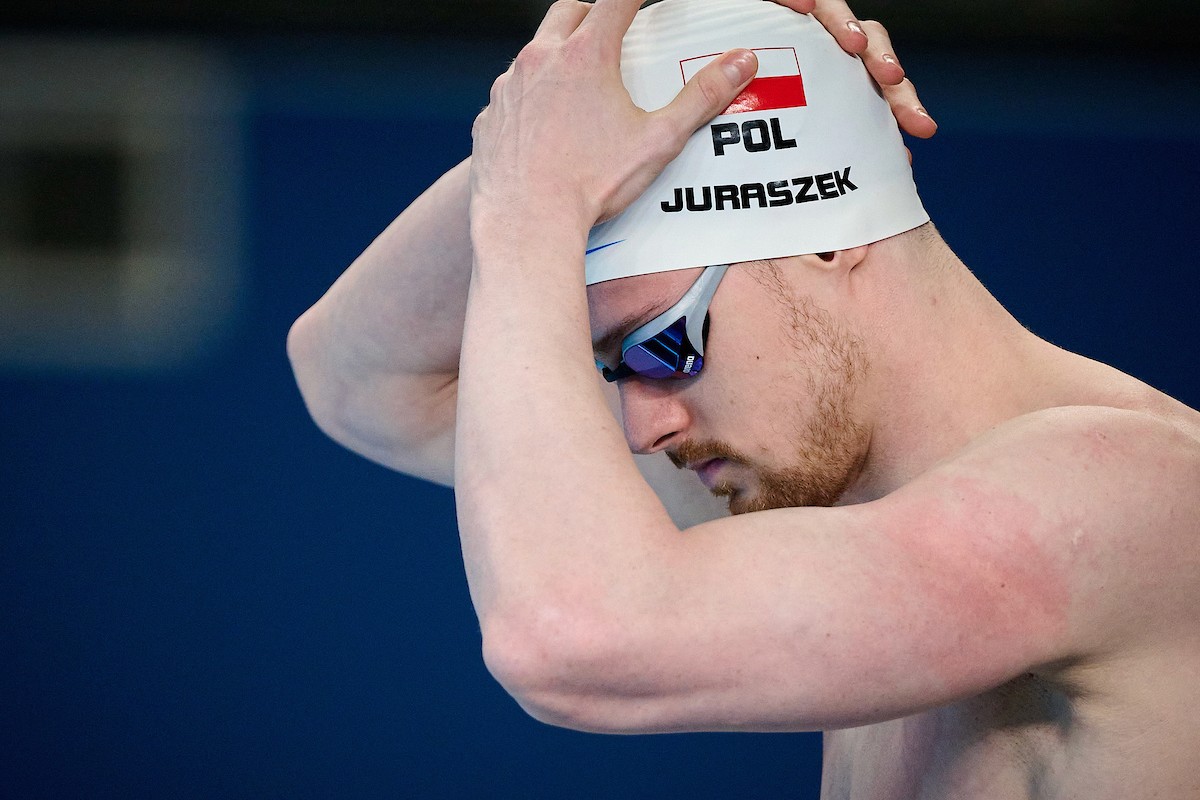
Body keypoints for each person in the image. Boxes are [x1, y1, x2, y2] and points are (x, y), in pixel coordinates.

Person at [289, 0, 1200, 796]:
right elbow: (358, 381)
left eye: (661, 345)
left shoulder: (1136, 494)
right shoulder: (826, 493)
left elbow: (571, 639)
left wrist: (532, 206)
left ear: (828, 240)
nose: (643, 429)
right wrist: (533, 148)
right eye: (615, 370)